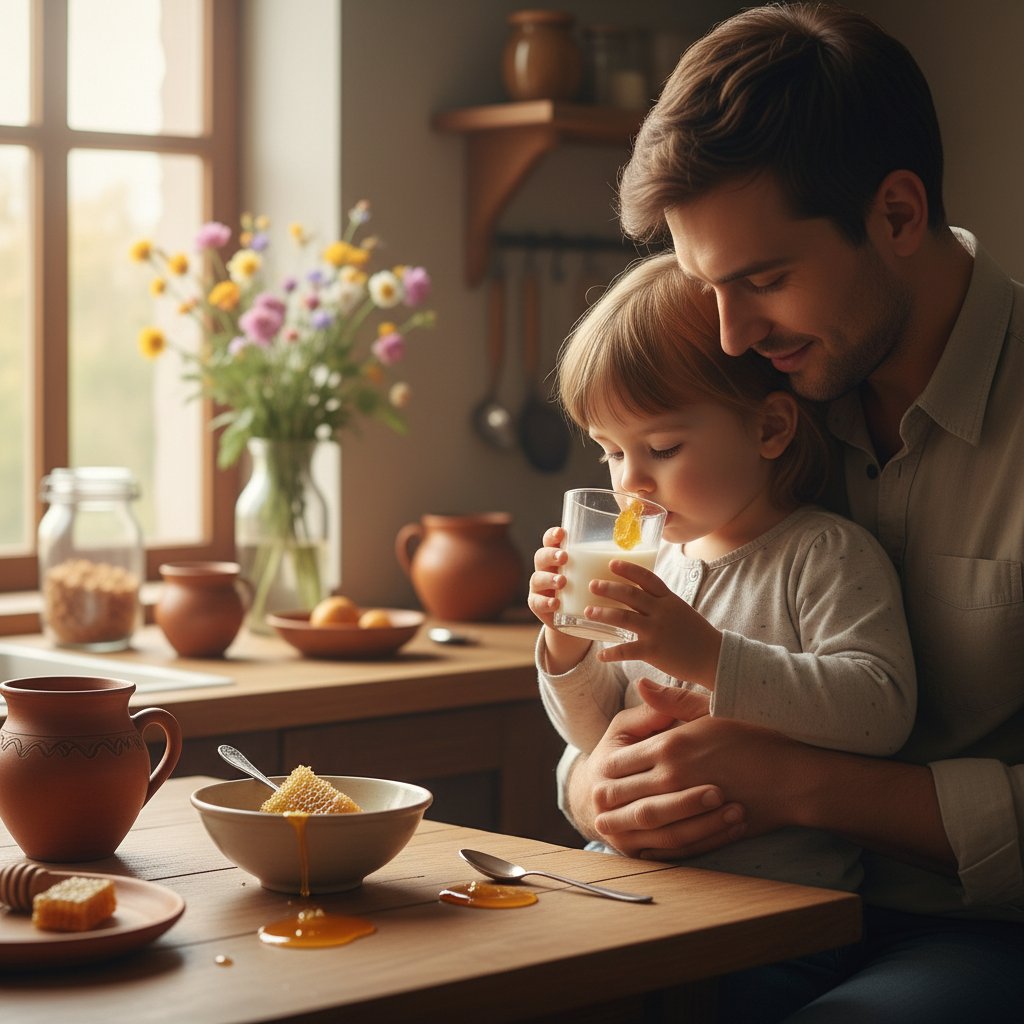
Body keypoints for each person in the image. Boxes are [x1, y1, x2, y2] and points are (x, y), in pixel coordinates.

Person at [557, 3, 1024, 1021]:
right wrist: (600, 784)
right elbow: (640, 687)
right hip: (729, 898)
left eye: (762, 279)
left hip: (978, 929)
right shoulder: (738, 403)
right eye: (706, 285)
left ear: (897, 215)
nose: (730, 332)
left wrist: (796, 783)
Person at [529, 251, 916, 895]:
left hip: (775, 912)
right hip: (629, 888)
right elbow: (595, 737)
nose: (631, 482)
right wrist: (567, 644)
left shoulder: (822, 554)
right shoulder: (653, 568)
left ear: (769, 427)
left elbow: (882, 710)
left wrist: (710, 656)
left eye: (662, 449)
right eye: (610, 453)